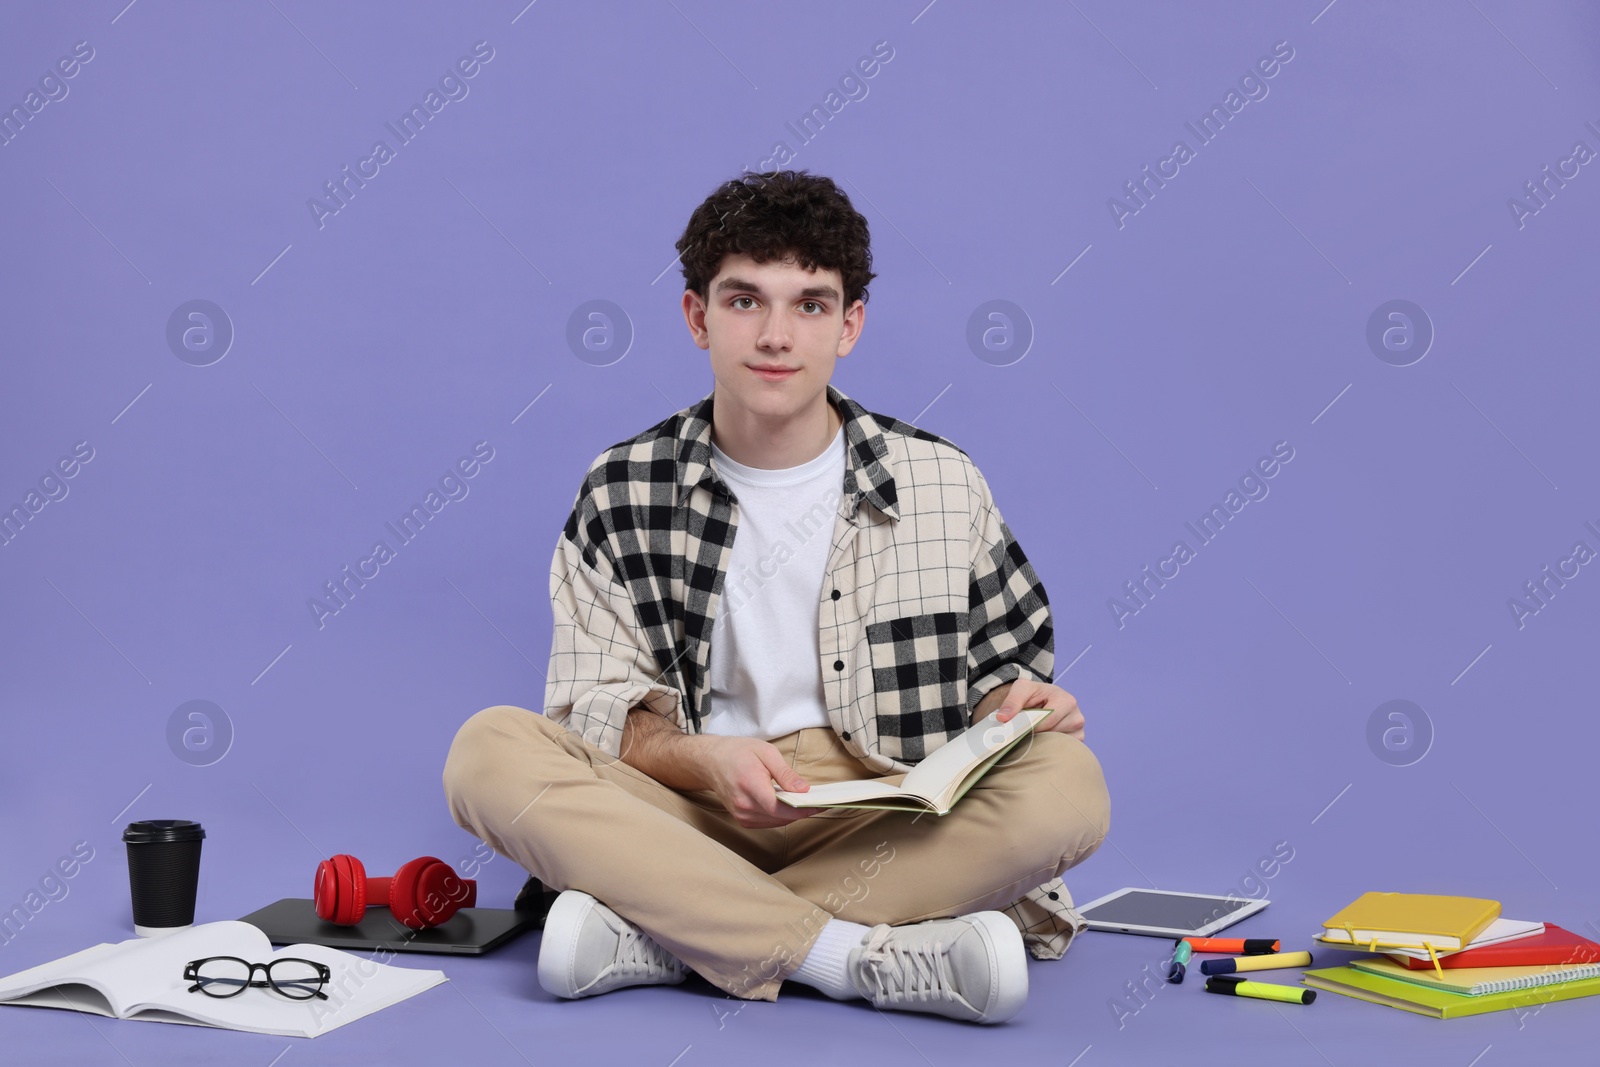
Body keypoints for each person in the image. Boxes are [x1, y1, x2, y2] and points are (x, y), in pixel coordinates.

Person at [443, 170, 1109, 1024]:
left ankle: (672, 929)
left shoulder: (942, 480)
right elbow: (593, 711)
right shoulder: (621, 488)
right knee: (489, 751)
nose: (777, 335)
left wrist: (1017, 704)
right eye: (746, 301)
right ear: (698, 317)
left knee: (1070, 783)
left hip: (879, 812)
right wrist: (706, 761)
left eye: (811, 304)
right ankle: (848, 956)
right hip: (690, 807)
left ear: (850, 325)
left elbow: (999, 673)